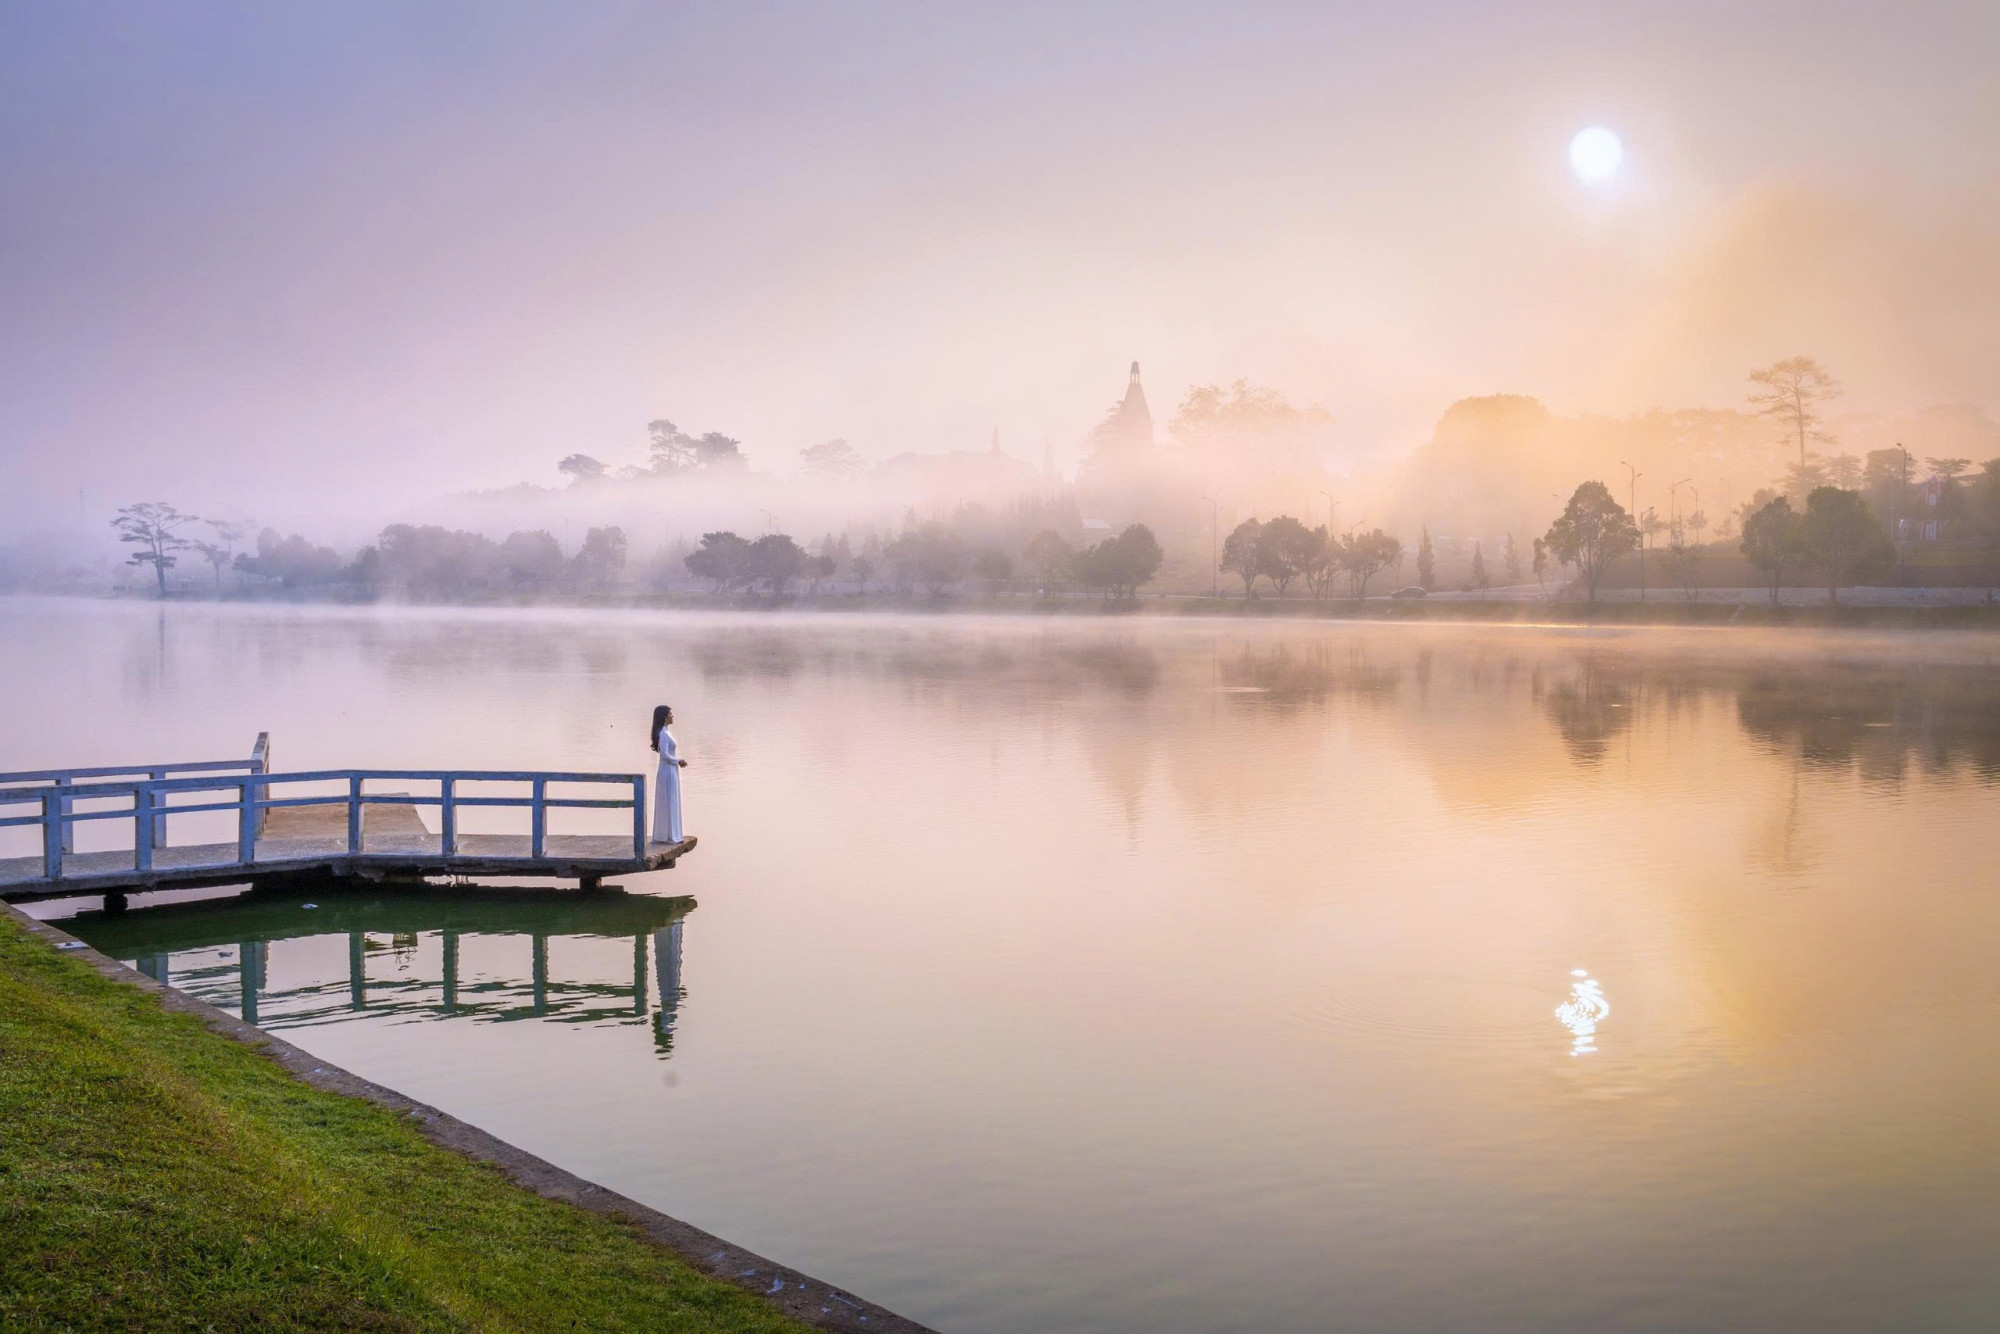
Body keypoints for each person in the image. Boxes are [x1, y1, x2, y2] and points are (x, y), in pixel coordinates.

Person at [649, 704, 687, 844]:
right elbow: (664, 755)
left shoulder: (665, 731)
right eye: (670, 713)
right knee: (668, 801)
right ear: (665, 717)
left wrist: (676, 762)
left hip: (670, 770)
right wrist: (678, 760)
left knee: (671, 800)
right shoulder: (664, 734)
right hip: (667, 770)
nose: (673, 715)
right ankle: (669, 836)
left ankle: (670, 834)